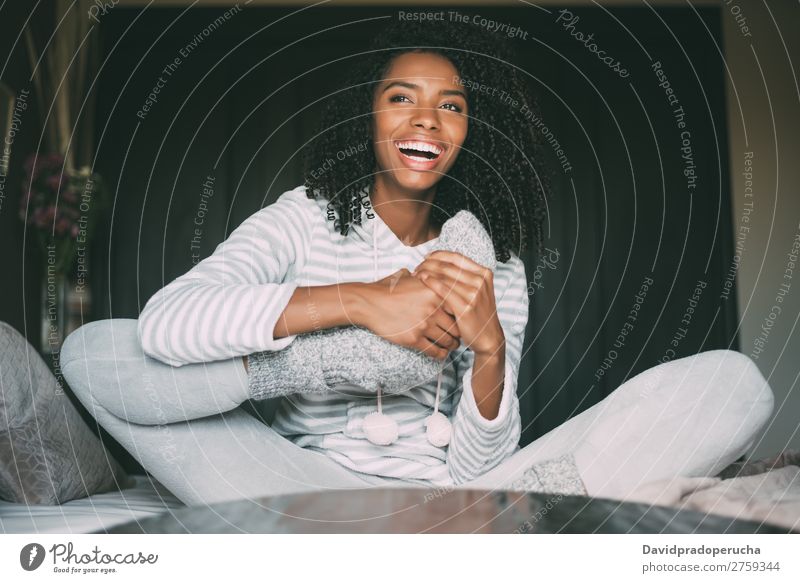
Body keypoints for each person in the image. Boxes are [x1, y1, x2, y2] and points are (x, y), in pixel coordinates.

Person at [62, 18, 773, 507]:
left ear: (472, 132)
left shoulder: (491, 262)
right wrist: (357, 307)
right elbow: (164, 326)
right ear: (364, 116)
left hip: (459, 500)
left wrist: (489, 349)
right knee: (97, 351)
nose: (426, 120)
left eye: (452, 106)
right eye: (401, 97)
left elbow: (478, 468)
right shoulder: (301, 218)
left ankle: (451, 541)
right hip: (296, 484)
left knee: (732, 385)